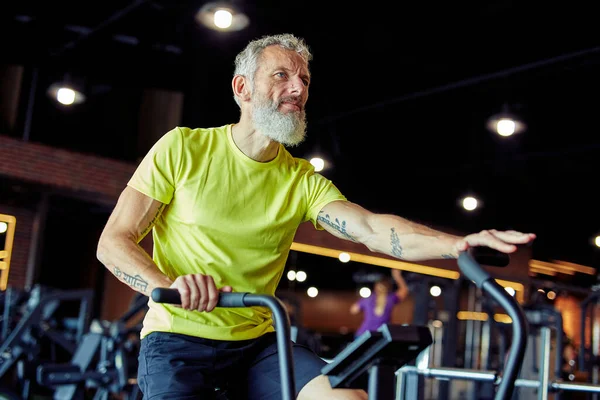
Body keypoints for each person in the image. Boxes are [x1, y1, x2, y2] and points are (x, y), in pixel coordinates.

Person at [96, 32, 536, 400]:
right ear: (242, 88)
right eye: (282, 75)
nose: (298, 88)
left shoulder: (300, 179)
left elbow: (369, 228)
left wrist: (456, 245)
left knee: (346, 397)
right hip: (178, 340)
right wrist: (169, 287)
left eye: (304, 80)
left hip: (258, 345)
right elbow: (113, 242)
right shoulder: (183, 148)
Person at [350, 269, 409, 338]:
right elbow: (404, 290)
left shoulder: (368, 299)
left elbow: (354, 310)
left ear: (376, 287)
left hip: (364, 334)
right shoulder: (391, 298)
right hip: (380, 335)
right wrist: (397, 276)